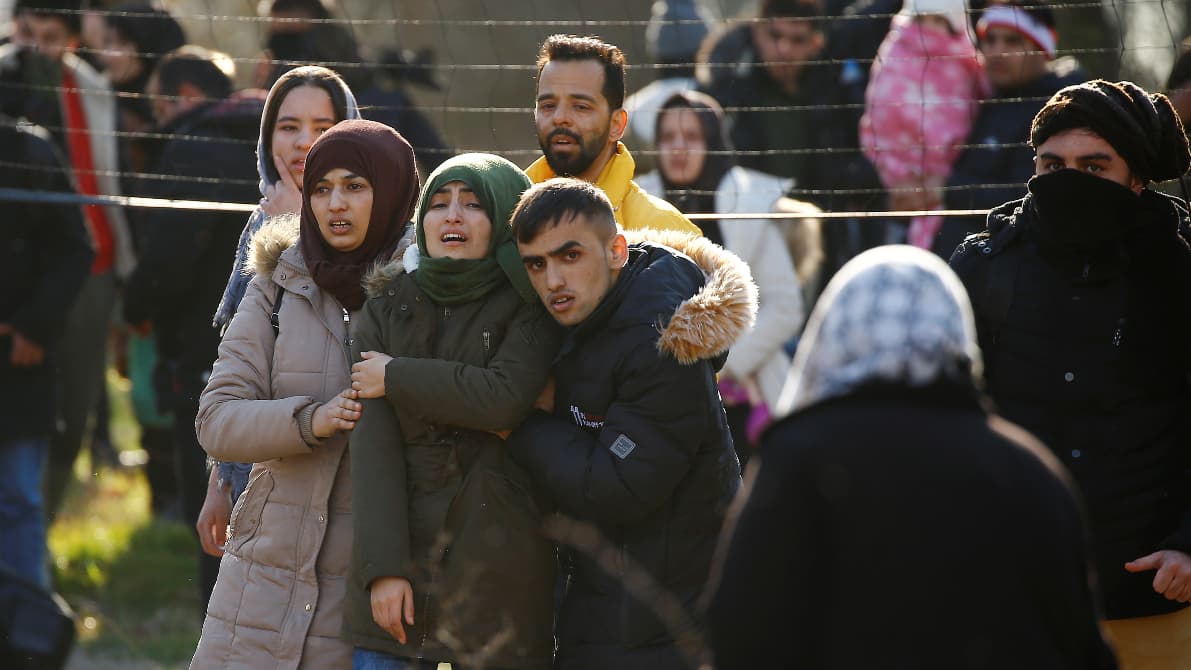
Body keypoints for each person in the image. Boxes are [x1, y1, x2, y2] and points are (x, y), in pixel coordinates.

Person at [706, 245, 1119, 670]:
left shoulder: (800, 460)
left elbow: (743, 630)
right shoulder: (1031, 470)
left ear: (833, 334)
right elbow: (1080, 644)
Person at [949, 79, 1191, 669]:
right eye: (1051, 163)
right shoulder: (983, 268)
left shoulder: (1180, 275)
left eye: (1094, 165)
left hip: (1151, 597)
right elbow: (939, 424)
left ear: (1138, 179)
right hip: (1011, 600)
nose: (1068, 181)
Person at [190, 119, 420, 668]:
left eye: (355, 186)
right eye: (321, 188)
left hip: (366, 588)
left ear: (390, 190)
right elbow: (216, 418)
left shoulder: (423, 291)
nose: (335, 204)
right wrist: (307, 421)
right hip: (259, 581)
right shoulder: (276, 281)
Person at [506, 179, 753, 670]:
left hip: (666, 625)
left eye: (569, 256)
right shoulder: (587, 317)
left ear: (616, 250)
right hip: (614, 608)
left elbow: (620, 485)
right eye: (537, 263)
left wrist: (519, 426)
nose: (553, 279)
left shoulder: (658, 338)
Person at [346, 153, 561, 670]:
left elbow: (503, 397)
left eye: (473, 204)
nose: (452, 216)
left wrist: (395, 376)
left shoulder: (531, 305)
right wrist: (384, 570)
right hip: (403, 558)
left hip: (500, 560)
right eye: (438, 204)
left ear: (507, 218)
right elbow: (374, 449)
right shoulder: (385, 306)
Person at [120, 44, 263, 608]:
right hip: (281, 363)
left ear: (184, 97)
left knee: (213, 507)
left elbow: (168, 257)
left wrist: (136, 307)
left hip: (203, 357)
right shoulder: (272, 147)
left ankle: (218, 630)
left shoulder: (189, 148)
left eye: (155, 105)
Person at [198, 64, 361, 550]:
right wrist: (220, 482)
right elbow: (241, 359)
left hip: (327, 474)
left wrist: (297, 226)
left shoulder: (378, 230)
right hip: (256, 458)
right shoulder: (262, 218)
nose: (302, 143)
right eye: (288, 127)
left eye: (324, 128)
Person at [3, 0, 137, 522]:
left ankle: (40, 542)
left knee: (75, 410)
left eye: (51, 35)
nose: (36, 45)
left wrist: (128, 263)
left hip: (95, 265)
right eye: (27, 31)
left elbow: (112, 175)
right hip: (23, 278)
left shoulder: (94, 88)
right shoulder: (8, 83)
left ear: (74, 39)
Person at [636, 90, 804, 464]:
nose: (678, 148)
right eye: (668, 138)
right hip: (651, 394)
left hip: (744, 393)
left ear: (713, 142)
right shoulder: (635, 203)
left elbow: (785, 305)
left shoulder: (750, 203)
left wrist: (723, 367)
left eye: (692, 137)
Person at [0, 116, 93, 588]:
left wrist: (34, 328)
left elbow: (75, 248)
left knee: (17, 497)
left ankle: (25, 631)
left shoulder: (29, 151)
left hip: (17, 362)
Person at [931, 0, 1086, 256]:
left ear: (1042, 47)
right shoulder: (985, 100)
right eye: (989, 39)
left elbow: (1029, 195)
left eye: (1012, 40)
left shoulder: (1060, 111)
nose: (997, 50)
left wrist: (944, 189)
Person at [527, 34, 700, 236]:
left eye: (581, 107)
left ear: (617, 124)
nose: (560, 117)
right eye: (548, 106)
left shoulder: (667, 232)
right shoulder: (503, 216)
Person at [859, 0, 987, 249]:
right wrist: (896, 176)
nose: (929, 30)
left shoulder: (966, 66)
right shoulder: (894, 54)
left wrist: (941, 183)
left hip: (948, 194)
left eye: (939, 21)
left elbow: (971, 118)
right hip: (894, 190)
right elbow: (880, 112)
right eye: (923, 19)